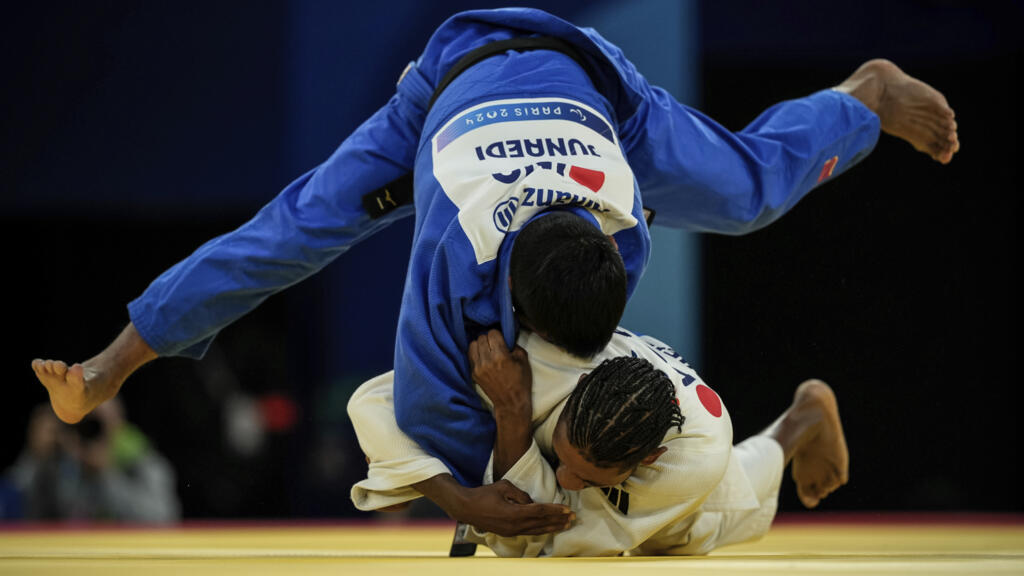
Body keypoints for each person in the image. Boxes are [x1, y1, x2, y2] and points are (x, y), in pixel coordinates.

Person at [32, 8, 952, 533]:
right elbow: (408, 422)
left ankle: (859, 97)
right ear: (504, 298)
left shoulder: (621, 229)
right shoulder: (454, 268)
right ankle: (109, 367)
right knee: (286, 235)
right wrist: (465, 495)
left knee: (747, 193)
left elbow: (594, 340)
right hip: (437, 102)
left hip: (594, 84)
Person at [349, 328, 847, 556]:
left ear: (649, 459)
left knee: (696, 530)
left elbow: (546, 546)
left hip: (695, 479)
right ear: (578, 391)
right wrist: (457, 498)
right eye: (566, 459)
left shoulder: (691, 461)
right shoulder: (546, 364)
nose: (568, 478)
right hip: (574, 416)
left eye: (588, 477)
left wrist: (514, 416)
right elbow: (371, 401)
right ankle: (803, 415)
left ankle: (799, 421)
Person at [4, 400, 180, 523]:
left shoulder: (142, 461)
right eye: (82, 424)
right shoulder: (57, 463)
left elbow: (163, 519)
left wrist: (106, 473)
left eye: (97, 424)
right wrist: (35, 457)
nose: (89, 432)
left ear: (118, 423)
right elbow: (18, 512)